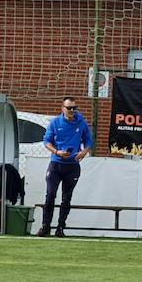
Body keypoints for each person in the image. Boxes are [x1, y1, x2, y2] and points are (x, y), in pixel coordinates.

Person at [37, 97, 93, 237]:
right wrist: (57, 152)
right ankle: (45, 226)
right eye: (69, 108)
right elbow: (47, 141)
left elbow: (88, 139)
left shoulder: (81, 122)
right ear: (62, 108)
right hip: (56, 164)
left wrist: (84, 151)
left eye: (74, 107)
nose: (72, 111)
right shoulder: (55, 123)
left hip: (72, 165)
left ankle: (60, 227)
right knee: (50, 195)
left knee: (66, 198)